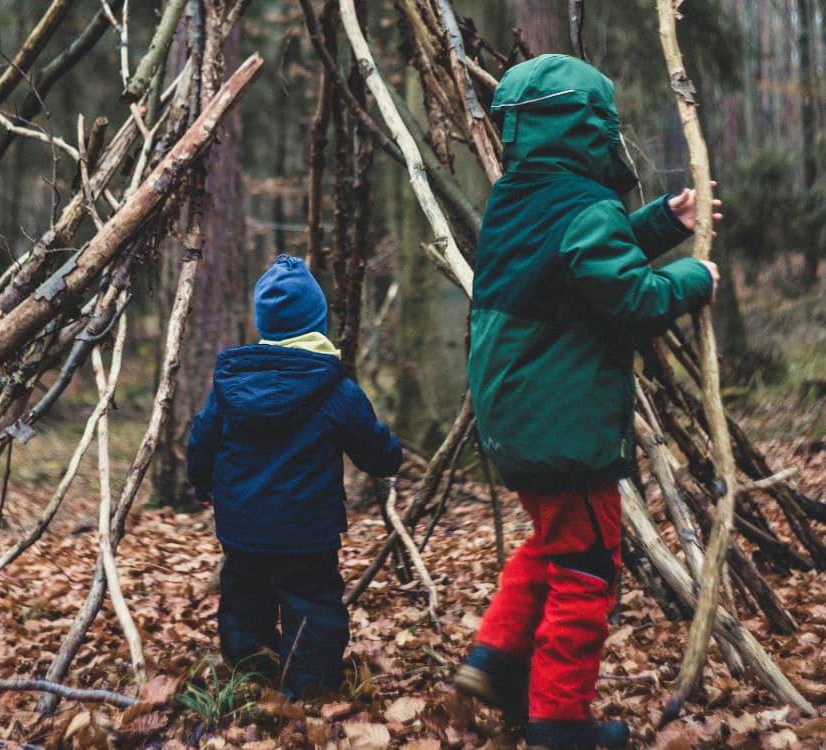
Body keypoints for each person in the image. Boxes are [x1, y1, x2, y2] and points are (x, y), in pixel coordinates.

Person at [455, 55, 722, 750]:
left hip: (515, 420)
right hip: (563, 426)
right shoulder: (584, 207)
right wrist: (694, 277)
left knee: (553, 542)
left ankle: (495, 660)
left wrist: (664, 221)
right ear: (589, 126)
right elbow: (629, 297)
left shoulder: (517, 200)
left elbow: (585, 262)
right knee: (587, 567)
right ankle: (560, 719)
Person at [187, 254, 403, 699]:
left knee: (244, 602)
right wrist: (390, 459)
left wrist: (202, 484)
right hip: (307, 534)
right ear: (317, 321)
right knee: (313, 608)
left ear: (264, 322)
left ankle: (249, 676)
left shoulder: (232, 386)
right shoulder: (334, 388)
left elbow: (201, 440)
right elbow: (372, 446)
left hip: (242, 528)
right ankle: (306, 691)